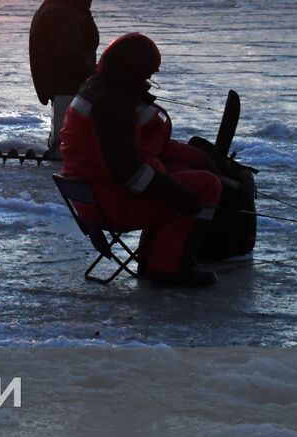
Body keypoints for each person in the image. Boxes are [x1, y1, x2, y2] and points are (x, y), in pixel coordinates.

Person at [60, 33, 222, 287]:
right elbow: (128, 173)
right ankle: (171, 268)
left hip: (91, 196)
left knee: (180, 171)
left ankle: (153, 259)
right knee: (206, 187)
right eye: (146, 75)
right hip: (111, 203)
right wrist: (179, 194)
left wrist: (195, 155)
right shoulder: (112, 104)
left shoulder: (97, 88)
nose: (148, 81)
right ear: (131, 70)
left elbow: (144, 146)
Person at [30, 0, 100, 160]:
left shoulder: (64, 8)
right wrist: (95, 75)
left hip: (65, 79)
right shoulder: (60, 13)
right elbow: (70, 56)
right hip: (63, 81)